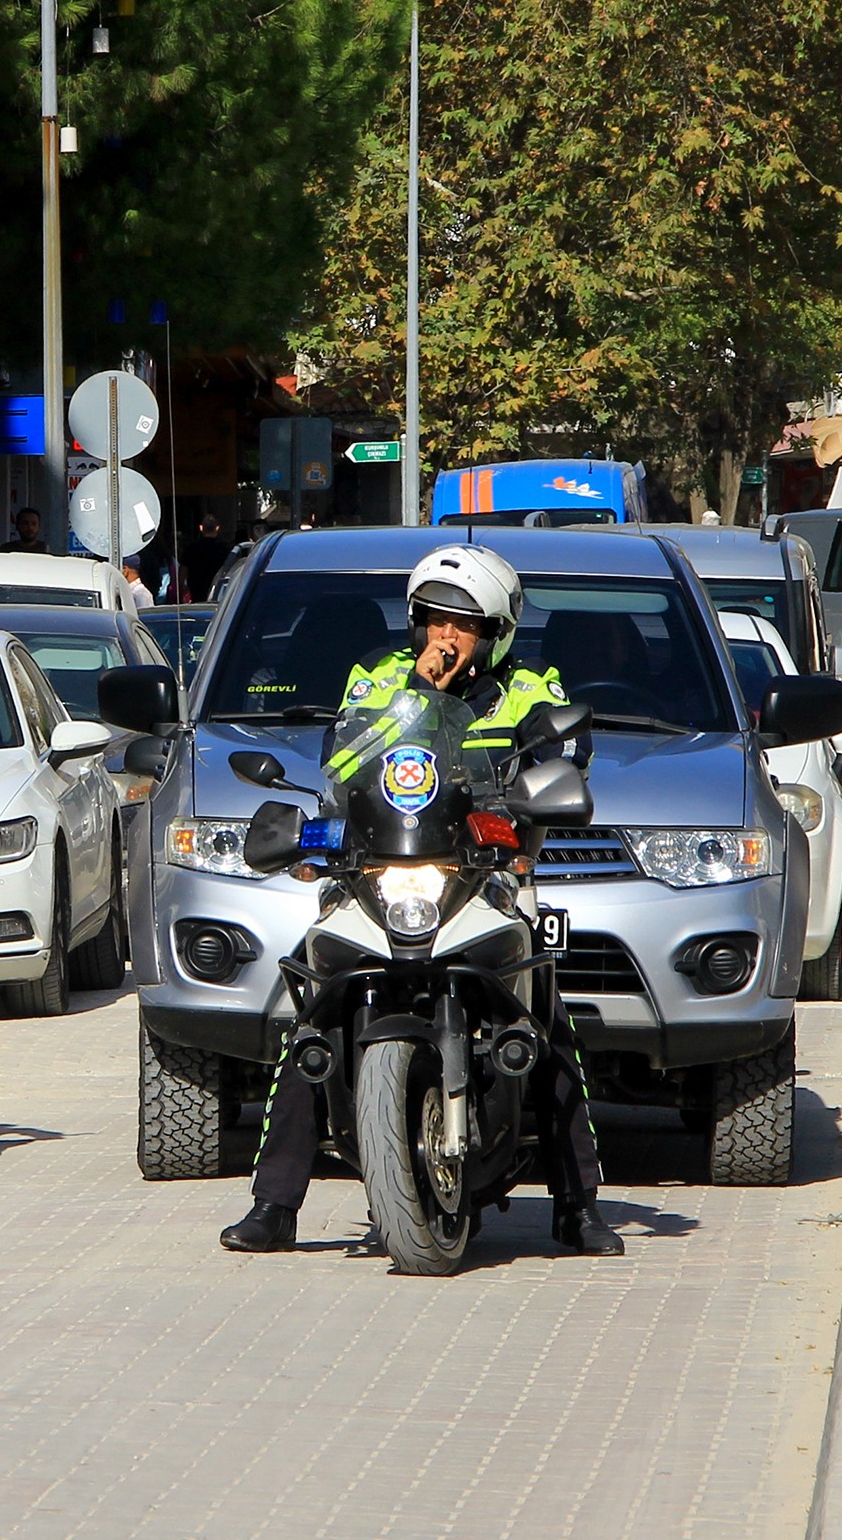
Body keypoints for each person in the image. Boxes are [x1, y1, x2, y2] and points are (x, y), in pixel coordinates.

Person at [219, 546, 625, 1259]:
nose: (446, 636)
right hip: (382, 868)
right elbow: (342, 766)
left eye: (463, 624)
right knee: (311, 1014)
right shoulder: (378, 681)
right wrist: (422, 691)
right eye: (434, 620)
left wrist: (539, 776)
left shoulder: (532, 689)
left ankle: (577, 1204)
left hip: (486, 869)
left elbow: (567, 760)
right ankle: (273, 1204)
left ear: (496, 633)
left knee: (545, 1014)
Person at [183, 510, 232, 597]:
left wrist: (180, 588)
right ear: (217, 528)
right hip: (218, 592)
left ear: (201, 528)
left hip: (197, 591)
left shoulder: (191, 548)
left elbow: (183, 570)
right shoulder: (225, 548)